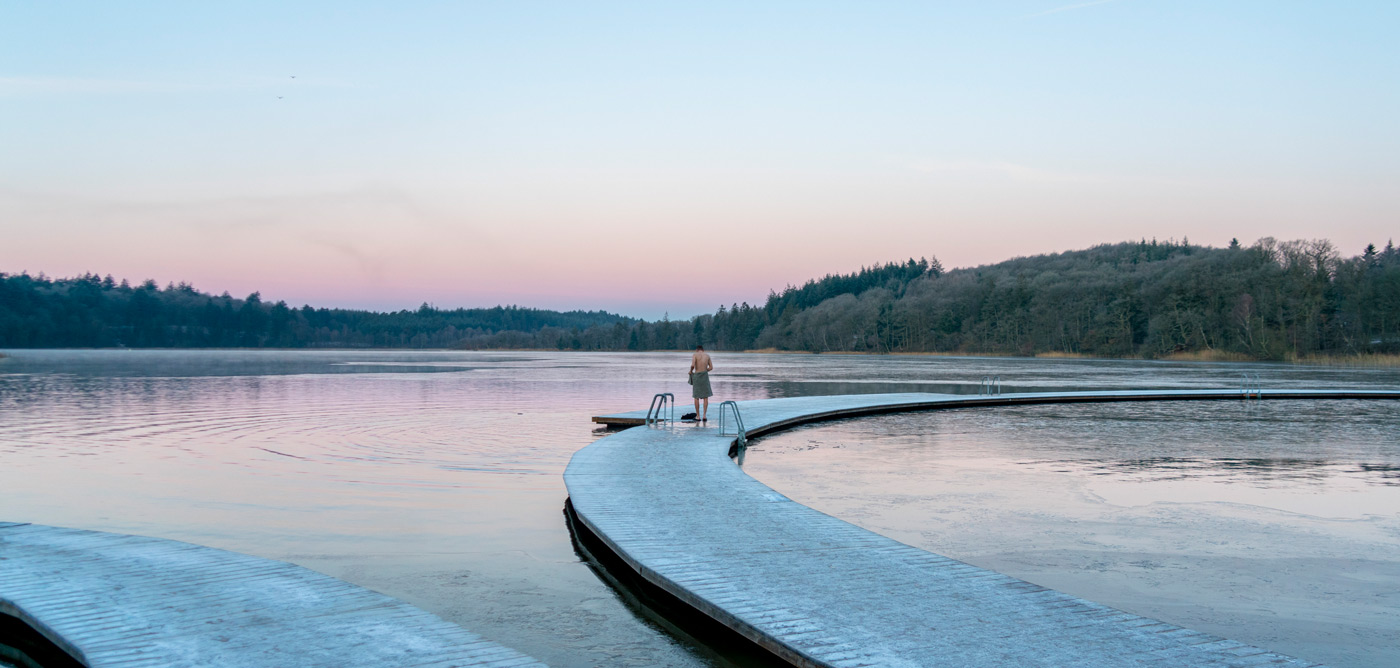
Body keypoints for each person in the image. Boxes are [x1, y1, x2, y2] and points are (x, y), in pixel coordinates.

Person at [689, 344, 713, 422]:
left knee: (696, 396)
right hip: (705, 376)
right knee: (706, 397)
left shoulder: (695, 355)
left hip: (697, 375)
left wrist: (690, 371)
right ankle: (704, 415)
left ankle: (698, 416)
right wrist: (705, 371)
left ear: (697, 350)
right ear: (703, 350)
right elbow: (711, 367)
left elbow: (693, 365)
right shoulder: (707, 355)